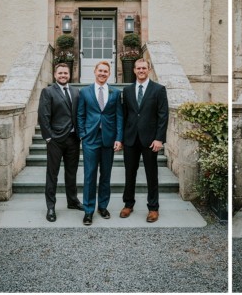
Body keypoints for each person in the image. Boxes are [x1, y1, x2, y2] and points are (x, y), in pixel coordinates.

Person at [120, 58, 169, 223]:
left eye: (144, 68)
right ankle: (128, 204)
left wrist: (159, 139)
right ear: (134, 70)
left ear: (149, 70)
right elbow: (124, 115)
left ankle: (153, 208)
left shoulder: (158, 89)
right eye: (138, 68)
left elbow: (163, 116)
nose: (141, 71)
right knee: (129, 173)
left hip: (150, 140)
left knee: (151, 175)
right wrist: (122, 138)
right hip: (130, 139)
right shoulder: (127, 91)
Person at [77, 60, 122, 225]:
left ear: (109, 74)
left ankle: (103, 207)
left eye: (105, 71)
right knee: (89, 175)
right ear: (95, 72)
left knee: (106, 175)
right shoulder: (85, 92)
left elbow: (119, 117)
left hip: (109, 139)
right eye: (100, 70)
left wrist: (119, 138)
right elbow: (80, 114)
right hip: (90, 139)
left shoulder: (115, 93)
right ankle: (88, 210)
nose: (103, 73)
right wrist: (82, 134)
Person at [37, 63, 82, 222]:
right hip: (55, 140)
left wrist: (80, 134)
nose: (63, 75)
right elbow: (43, 115)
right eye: (60, 73)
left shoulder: (76, 92)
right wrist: (48, 137)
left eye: (65, 73)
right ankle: (50, 206)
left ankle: (72, 201)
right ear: (55, 75)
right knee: (52, 174)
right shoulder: (48, 91)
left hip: (73, 139)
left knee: (72, 172)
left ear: (69, 75)